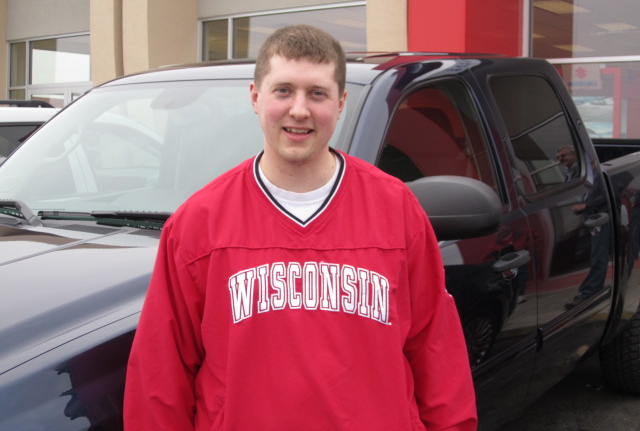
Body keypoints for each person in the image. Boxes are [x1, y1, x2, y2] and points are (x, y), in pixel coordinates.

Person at [124, 24, 477, 431]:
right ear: (256, 98)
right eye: (283, 90)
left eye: (317, 93)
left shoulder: (395, 210)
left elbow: (436, 351)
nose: (299, 110)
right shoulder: (199, 224)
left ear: (340, 103)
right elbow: (160, 375)